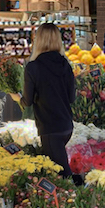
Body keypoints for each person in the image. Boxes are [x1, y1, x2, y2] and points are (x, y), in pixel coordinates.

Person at [22, 23, 76, 177]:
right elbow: (72, 98)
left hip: (50, 128)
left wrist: (17, 97)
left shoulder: (33, 67)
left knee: (63, 176)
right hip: (66, 127)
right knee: (55, 171)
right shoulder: (65, 64)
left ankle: (78, 198)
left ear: (38, 40)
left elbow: (27, 101)